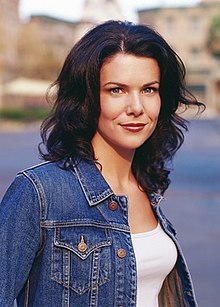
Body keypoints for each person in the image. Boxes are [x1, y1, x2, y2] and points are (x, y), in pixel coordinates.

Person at [0, 20, 204, 307]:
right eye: (116, 90)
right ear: (86, 99)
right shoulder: (40, 192)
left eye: (149, 90)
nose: (136, 107)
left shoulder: (148, 189)